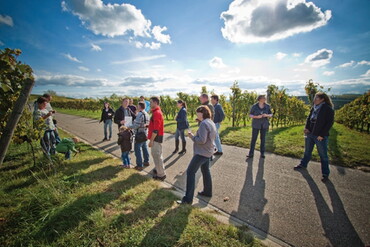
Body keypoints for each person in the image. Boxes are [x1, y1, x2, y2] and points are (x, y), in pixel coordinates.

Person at [177, 106, 217, 205]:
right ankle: (207, 192)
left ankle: (188, 199)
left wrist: (192, 137)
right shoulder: (210, 121)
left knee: (190, 172)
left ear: (201, 113)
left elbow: (201, 140)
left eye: (197, 113)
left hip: (201, 153)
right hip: (208, 151)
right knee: (205, 171)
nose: (196, 115)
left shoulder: (204, 124)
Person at [294, 92, 335, 182]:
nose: (314, 100)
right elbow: (309, 119)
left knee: (323, 155)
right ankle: (303, 165)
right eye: (315, 98)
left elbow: (329, 123)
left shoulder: (327, 109)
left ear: (322, 99)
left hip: (320, 136)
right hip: (310, 133)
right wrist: (306, 128)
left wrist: (322, 135)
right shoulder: (314, 108)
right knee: (307, 151)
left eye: (316, 98)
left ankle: (325, 174)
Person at [148, 96, 166, 181]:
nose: (150, 104)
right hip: (156, 137)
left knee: (157, 155)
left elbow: (156, 130)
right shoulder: (155, 112)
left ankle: (161, 175)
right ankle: (159, 170)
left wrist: (151, 140)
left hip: (156, 138)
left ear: (155, 103)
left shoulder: (157, 113)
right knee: (157, 155)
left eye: (151, 102)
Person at [128, 102, 150, 171]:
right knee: (144, 147)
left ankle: (139, 165)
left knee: (137, 150)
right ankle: (146, 161)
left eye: (137, 106)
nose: (136, 107)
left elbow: (136, 125)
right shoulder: (147, 114)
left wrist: (128, 126)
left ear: (140, 107)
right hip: (145, 133)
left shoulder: (140, 114)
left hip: (139, 134)